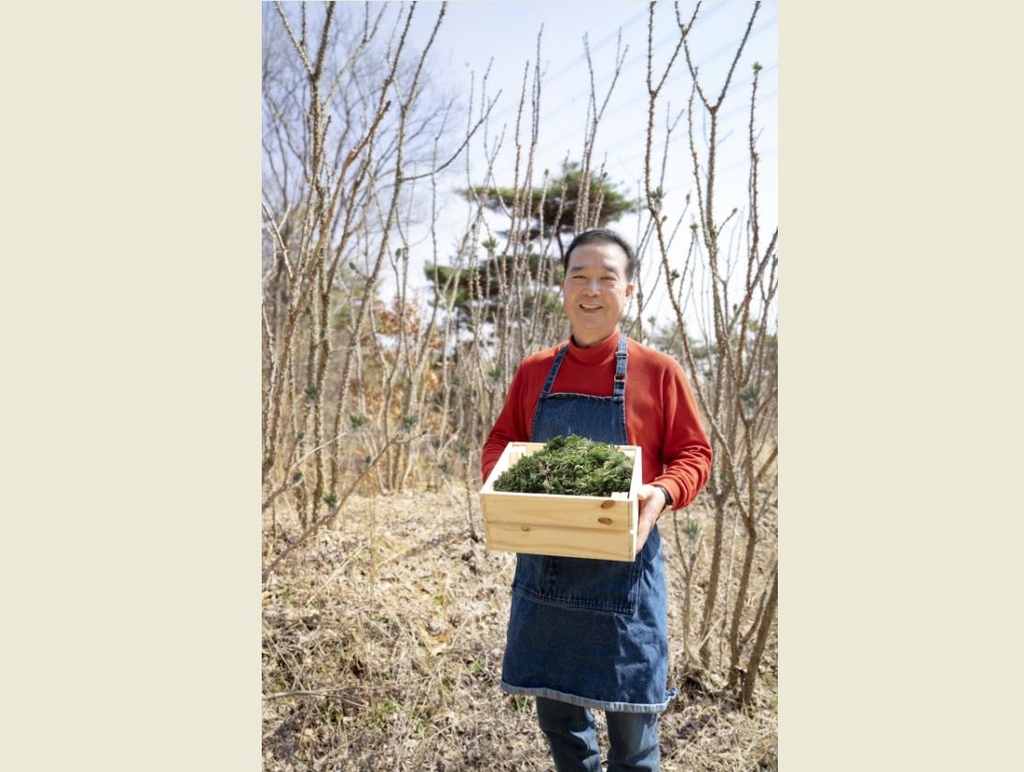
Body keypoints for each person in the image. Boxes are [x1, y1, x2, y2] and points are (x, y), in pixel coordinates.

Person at [481, 228, 712, 771]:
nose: (592, 289)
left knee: (634, 744)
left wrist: (660, 492)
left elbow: (694, 454)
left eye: (607, 278)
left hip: (624, 585)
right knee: (563, 731)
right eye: (579, 277)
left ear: (628, 292)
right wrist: (506, 486)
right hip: (547, 580)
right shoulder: (535, 371)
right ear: (562, 290)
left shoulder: (659, 373)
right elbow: (500, 441)